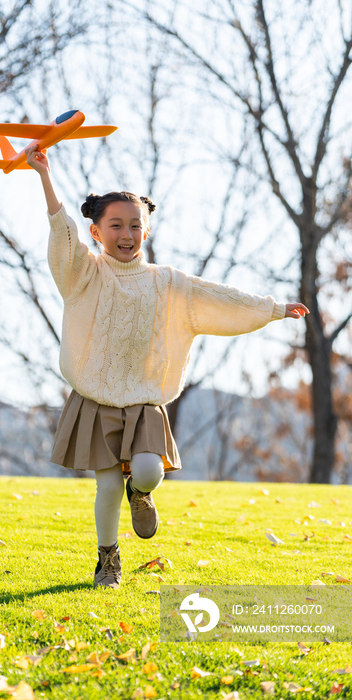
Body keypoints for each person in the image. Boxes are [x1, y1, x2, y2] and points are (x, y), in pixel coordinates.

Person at [26, 144, 309, 590]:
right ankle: (107, 561)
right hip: (96, 398)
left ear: (147, 230)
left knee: (149, 470)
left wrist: (272, 308)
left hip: (143, 399)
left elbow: (218, 298)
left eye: (135, 225)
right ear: (97, 232)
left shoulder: (168, 283)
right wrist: (44, 176)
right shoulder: (85, 273)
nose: (127, 233)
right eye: (115, 225)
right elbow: (62, 235)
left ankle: (140, 493)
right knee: (104, 489)